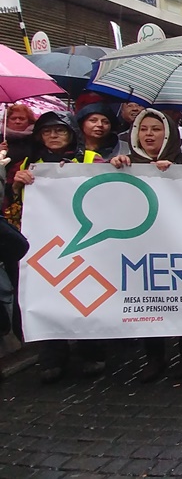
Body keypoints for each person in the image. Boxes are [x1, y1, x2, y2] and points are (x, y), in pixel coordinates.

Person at [6, 111, 106, 383]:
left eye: (59, 131)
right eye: (47, 131)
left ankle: (91, 352)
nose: (52, 136)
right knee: (48, 297)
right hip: (44, 246)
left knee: (85, 297)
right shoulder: (28, 164)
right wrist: (16, 184)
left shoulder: (90, 160)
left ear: (71, 133)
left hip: (84, 243)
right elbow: (12, 203)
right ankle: (52, 357)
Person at [110, 109, 182, 382]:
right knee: (147, 298)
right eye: (143, 129)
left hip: (181, 243)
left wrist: (176, 174)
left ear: (168, 133)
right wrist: (119, 166)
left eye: (156, 129)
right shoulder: (128, 163)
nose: (149, 134)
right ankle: (154, 358)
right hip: (143, 245)